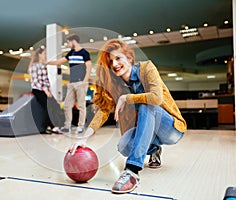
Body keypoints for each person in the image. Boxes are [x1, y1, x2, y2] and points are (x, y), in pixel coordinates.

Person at [69, 39, 187, 194]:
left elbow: (156, 98)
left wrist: (127, 98)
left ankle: (132, 171)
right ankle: (154, 149)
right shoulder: (116, 85)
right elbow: (103, 111)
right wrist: (85, 137)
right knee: (124, 146)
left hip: (171, 129)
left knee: (147, 103)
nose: (115, 64)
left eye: (118, 58)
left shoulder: (147, 68)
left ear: (129, 58)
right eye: (111, 61)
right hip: (147, 130)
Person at [46, 34, 92, 134]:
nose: (67, 44)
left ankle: (80, 126)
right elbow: (59, 62)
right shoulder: (71, 53)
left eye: (68, 42)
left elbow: (89, 67)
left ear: (73, 41)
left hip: (81, 82)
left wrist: (85, 81)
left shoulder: (84, 53)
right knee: (67, 105)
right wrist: (47, 63)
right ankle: (67, 126)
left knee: (81, 106)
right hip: (71, 83)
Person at [28, 47, 59, 134]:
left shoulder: (43, 65)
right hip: (38, 90)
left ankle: (47, 126)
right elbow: (35, 81)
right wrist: (45, 90)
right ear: (39, 54)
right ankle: (53, 126)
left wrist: (49, 90)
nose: (45, 55)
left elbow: (46, 80)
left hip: (45, 90)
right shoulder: (34, 66)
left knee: (54, 105)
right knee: (47, 107)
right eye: (44, 53)